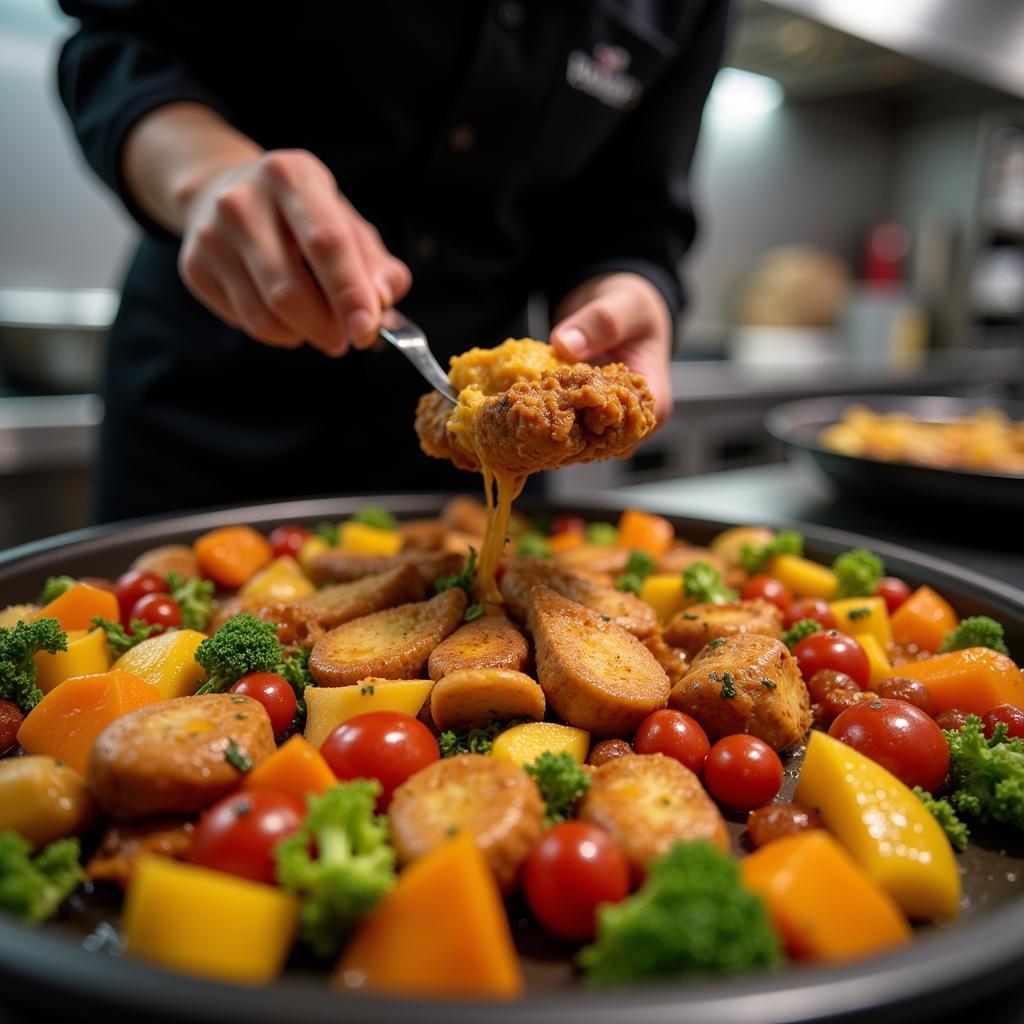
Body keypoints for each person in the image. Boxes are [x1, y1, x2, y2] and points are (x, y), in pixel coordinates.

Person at [57, 1, 729, 523]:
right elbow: (118, 40)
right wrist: (204, 176)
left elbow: (633, 215)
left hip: (474, 467)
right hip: (205, 414)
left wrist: (625, 286)